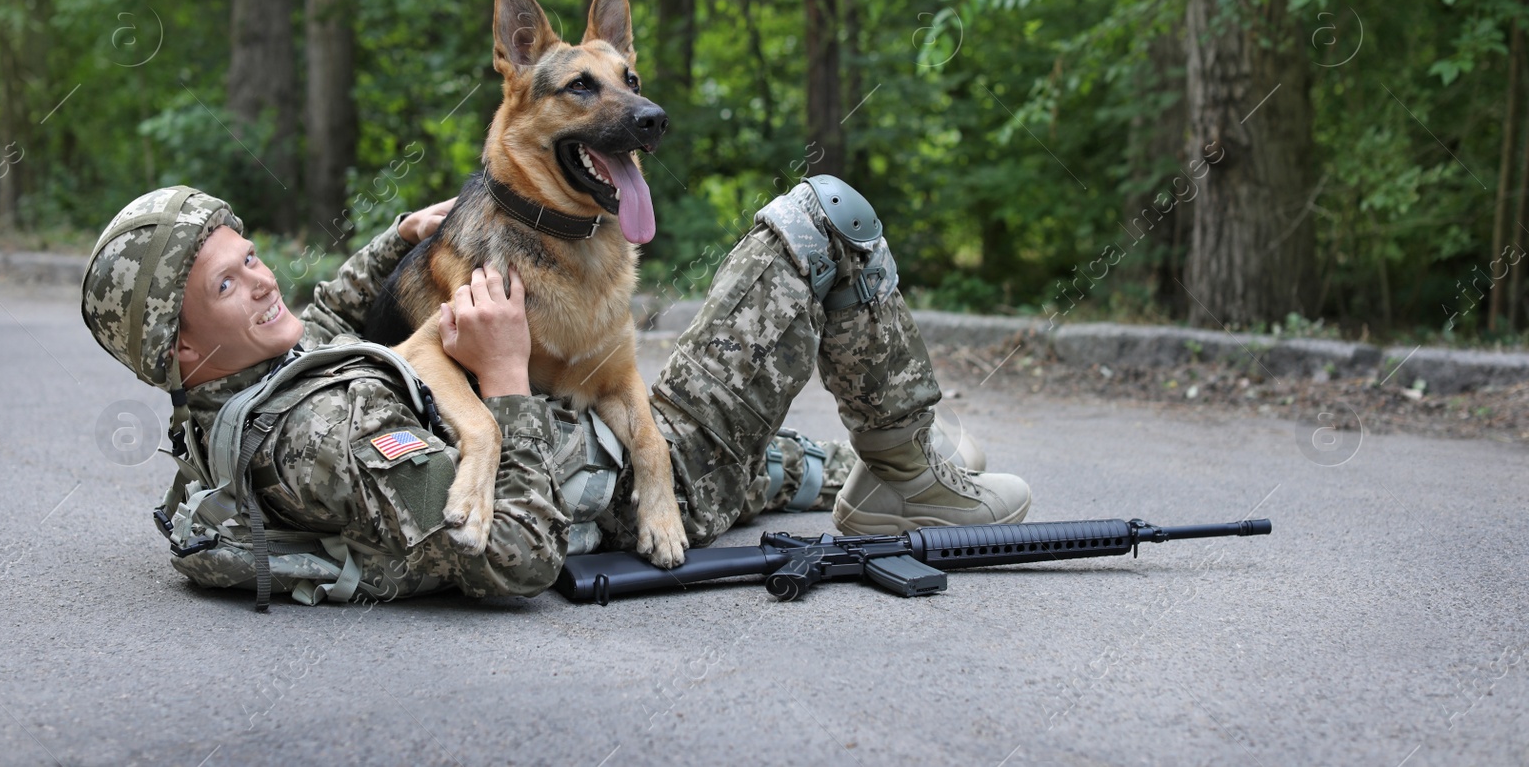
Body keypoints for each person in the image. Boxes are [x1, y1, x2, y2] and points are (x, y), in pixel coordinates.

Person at [80, 177, 1030, 603]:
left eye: (249, 255)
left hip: (625, 449)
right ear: (181, 350)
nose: (261, 279)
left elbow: (325, 323)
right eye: (227, 284)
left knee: (792, 466)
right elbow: (517, 555)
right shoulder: (326, 433)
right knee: (824, 216)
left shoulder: (244, 393)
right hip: (651, 483)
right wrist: (501, 376)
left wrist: (403, 234)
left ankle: (881, 466)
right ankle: (906, 471)